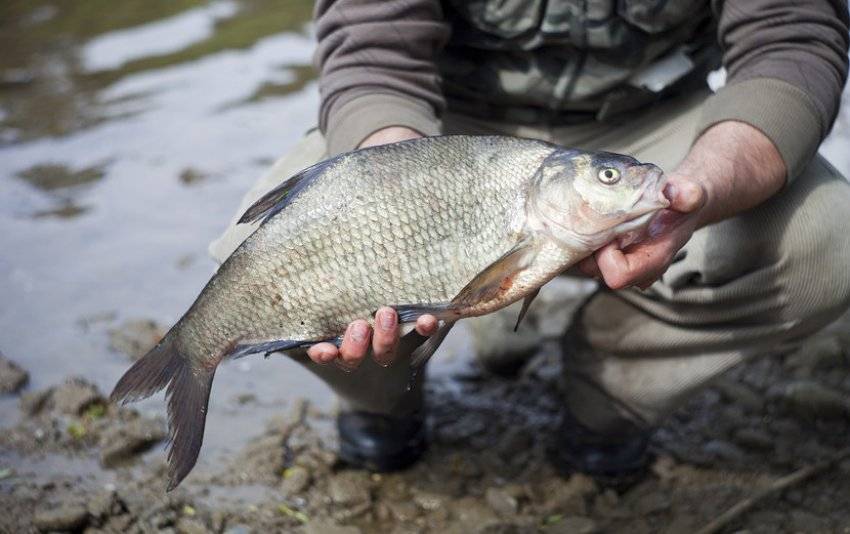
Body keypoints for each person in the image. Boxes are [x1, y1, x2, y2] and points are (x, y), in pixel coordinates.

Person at [210, 0, 850, 481]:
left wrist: (705, 187)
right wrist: (400, 186)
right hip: (440, 129)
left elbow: (789, 39)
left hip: (647, 121)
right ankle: (382, 398)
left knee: (828, 241)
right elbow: (372, 51)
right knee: (265, 259)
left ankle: (611, 392)